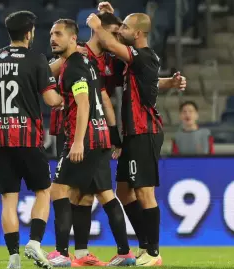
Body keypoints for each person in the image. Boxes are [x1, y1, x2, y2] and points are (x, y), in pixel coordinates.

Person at [0, 10, 63, 269]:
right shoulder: (37, 59)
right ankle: (34, 243)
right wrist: (66, 100)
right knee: (44, 191)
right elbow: (51, 100)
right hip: (28, 137)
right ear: (29, 32)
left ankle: (13, 258)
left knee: (9, 199)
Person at [47, 18, 136, 268]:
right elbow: (102, 98)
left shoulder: (74, 65)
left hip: (83, 138)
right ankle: (121, 252)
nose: (53, 38)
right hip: (100, 137)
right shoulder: (87, 62)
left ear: (74, 38)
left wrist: (76, 142)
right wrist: (111, 134)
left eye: (59, 34)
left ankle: (62, 254)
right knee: (95, 195)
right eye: (51, 34)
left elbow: (84, 103)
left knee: (60, 191)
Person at [87, 2, 170, 265]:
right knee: (124, 192)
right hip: (133, 134)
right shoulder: (137, 56)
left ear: (137, 34)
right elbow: (125, 35)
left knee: (145, 193)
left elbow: (112, 44)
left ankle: (154, 253)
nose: (120, 28)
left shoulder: (143, 56)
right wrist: (112, 15)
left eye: (124, 26)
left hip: (144, 131)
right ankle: (144, 245)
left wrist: (98, 26)